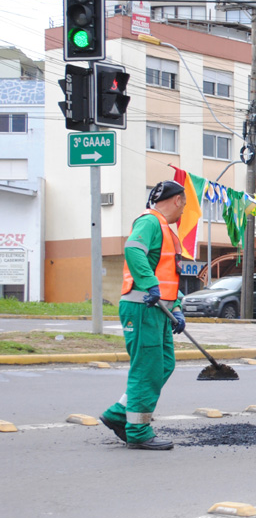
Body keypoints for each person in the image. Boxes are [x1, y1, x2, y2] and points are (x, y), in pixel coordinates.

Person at [99, 180, 188, 450]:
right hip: (142, 307)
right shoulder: (150, 222)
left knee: (163, 364)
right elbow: (133, 250)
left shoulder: (166, 231)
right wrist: (150, 284)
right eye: (184, 204)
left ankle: (118, 413)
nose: (183, 211)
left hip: (156, 309)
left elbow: (167, 278)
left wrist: (177, 308)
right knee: (147, 369)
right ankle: (137, 429)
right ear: (176, 200)